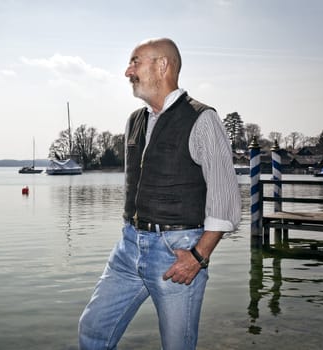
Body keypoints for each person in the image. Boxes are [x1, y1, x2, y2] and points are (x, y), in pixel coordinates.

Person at [78, 38, 241, 350]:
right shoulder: (134, 121)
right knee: (93, 329)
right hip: (128, 247)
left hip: (177, 252)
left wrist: (197, 257)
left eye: (135, 62)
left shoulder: (202, 118)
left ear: (162, 66)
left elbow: (226, 202)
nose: (128, 71)